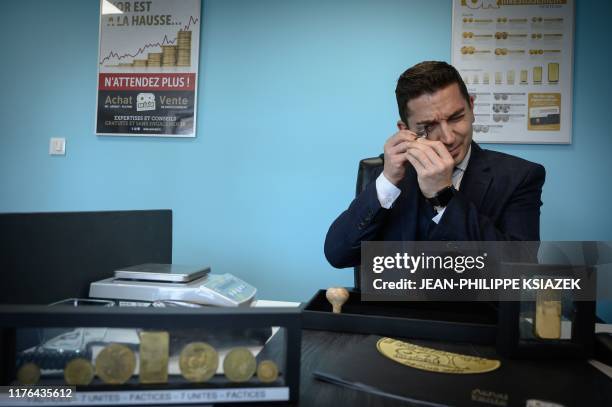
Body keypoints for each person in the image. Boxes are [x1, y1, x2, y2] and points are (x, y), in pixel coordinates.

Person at [324, 61, 545, 269]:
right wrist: (388, 181)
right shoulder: (387, 173)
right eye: (429, 126)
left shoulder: (520, 177)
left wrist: (443, 196)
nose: (448, 138)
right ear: (405, 129)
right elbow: (338, 255)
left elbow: (520, 270)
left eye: (456, 117)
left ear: (471, 107)